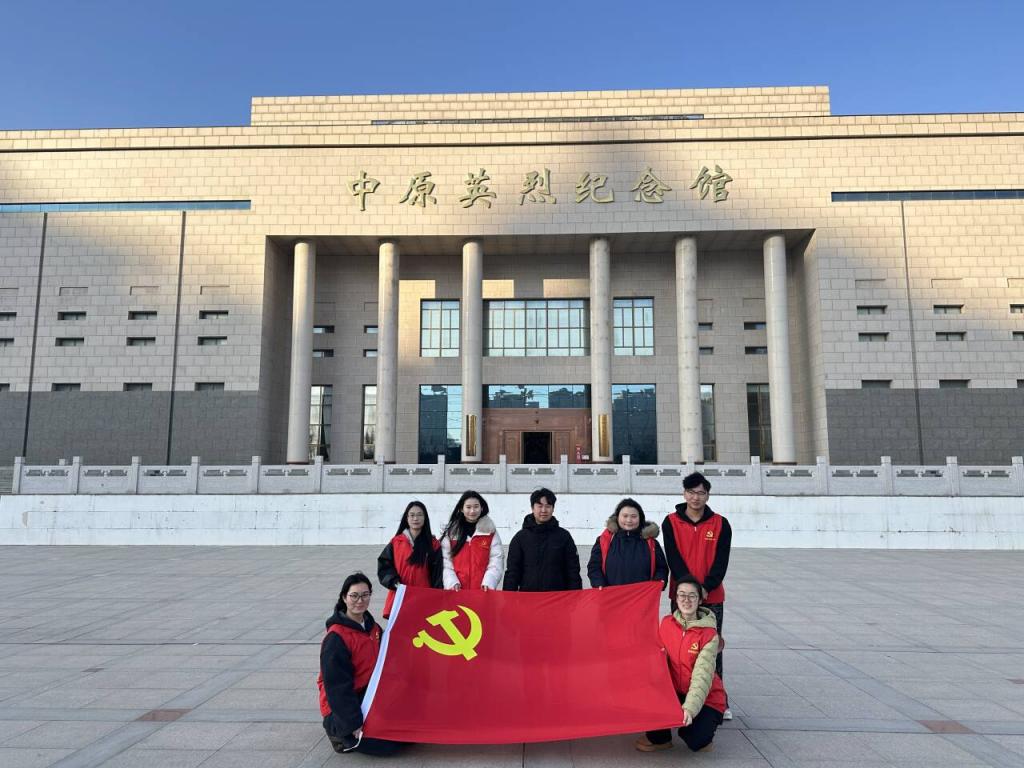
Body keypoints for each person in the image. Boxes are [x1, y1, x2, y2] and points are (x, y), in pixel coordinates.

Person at [661, 471, 733, 719]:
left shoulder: (721, 524)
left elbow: (721, 562)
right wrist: (690, 590)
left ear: (707, 496)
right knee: (679, 649)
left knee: (712, 650)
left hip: (712, 596)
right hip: (681, 596)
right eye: (691, 492)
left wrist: (705, 588)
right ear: (684, 494)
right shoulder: (670, 522)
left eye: (701, 493)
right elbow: (673, 558)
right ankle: (680, 698)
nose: (696, 497)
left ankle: (718, 702)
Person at [635, 578, 727, 753]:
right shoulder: (666, 623)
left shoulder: (709, 635)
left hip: (707, 696)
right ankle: (661, 739)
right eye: (682, 595)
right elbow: (655, 662)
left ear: (700, 600)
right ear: (676, 598)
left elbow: (702, 677)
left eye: (692, 596)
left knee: (695, 740)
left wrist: (689, 709)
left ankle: (703, 729)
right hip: (676, 691)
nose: (686, 600)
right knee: (650, 700)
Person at [317, 573, 402, 756]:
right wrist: (353, 723)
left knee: (406, 730)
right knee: (386, 746)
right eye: (354, 596)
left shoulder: (373, 628)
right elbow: (337, 688)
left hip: (368, 695)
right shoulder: (336, 638)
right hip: (342, 705)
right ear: (344, 597)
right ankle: (338, 733)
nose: (360, 601)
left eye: (365, 595)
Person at [503, 487, 582, 592]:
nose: (544, 510)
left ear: (553, 509)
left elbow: (573, 571)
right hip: (528, 596)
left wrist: (576, 596)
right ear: (532, 508)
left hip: (557, 597)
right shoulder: (520, 538)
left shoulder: (564, 537)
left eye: (548, 506)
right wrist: (507, 596)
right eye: (540, 506)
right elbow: (513, 571)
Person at [376, 500, 442, 618]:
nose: (415, 518)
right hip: (400, 596)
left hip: (423, 598)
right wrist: (393, 582)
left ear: (425, 518)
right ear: (406, 518)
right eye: (412, 515)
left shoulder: (433, 544)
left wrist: (435, 597)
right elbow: (384, 565)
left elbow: (438, 574)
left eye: (419, 515)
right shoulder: (396, 542)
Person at [587, 497, 668, 588]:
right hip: (611, 595)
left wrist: (659, 580)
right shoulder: (604, 540)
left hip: (642, 595)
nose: (629, 520)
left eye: (633, 516)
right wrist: (598, 582)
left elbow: (661, 568)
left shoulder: (651, 543)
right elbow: (594, 567)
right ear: (617, 517)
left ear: (640, 518)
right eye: (625, 516)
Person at [441, 490, 503, 591]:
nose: (472, 511)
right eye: (468, 507)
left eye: (476, 506)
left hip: (483, 591)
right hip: (456, 591)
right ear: (461, 509)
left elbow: (496, 560)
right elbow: (445, 562)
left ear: (481, 508)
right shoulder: (451, 533)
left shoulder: (490, 532)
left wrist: (488, 582)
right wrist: (452, 583)